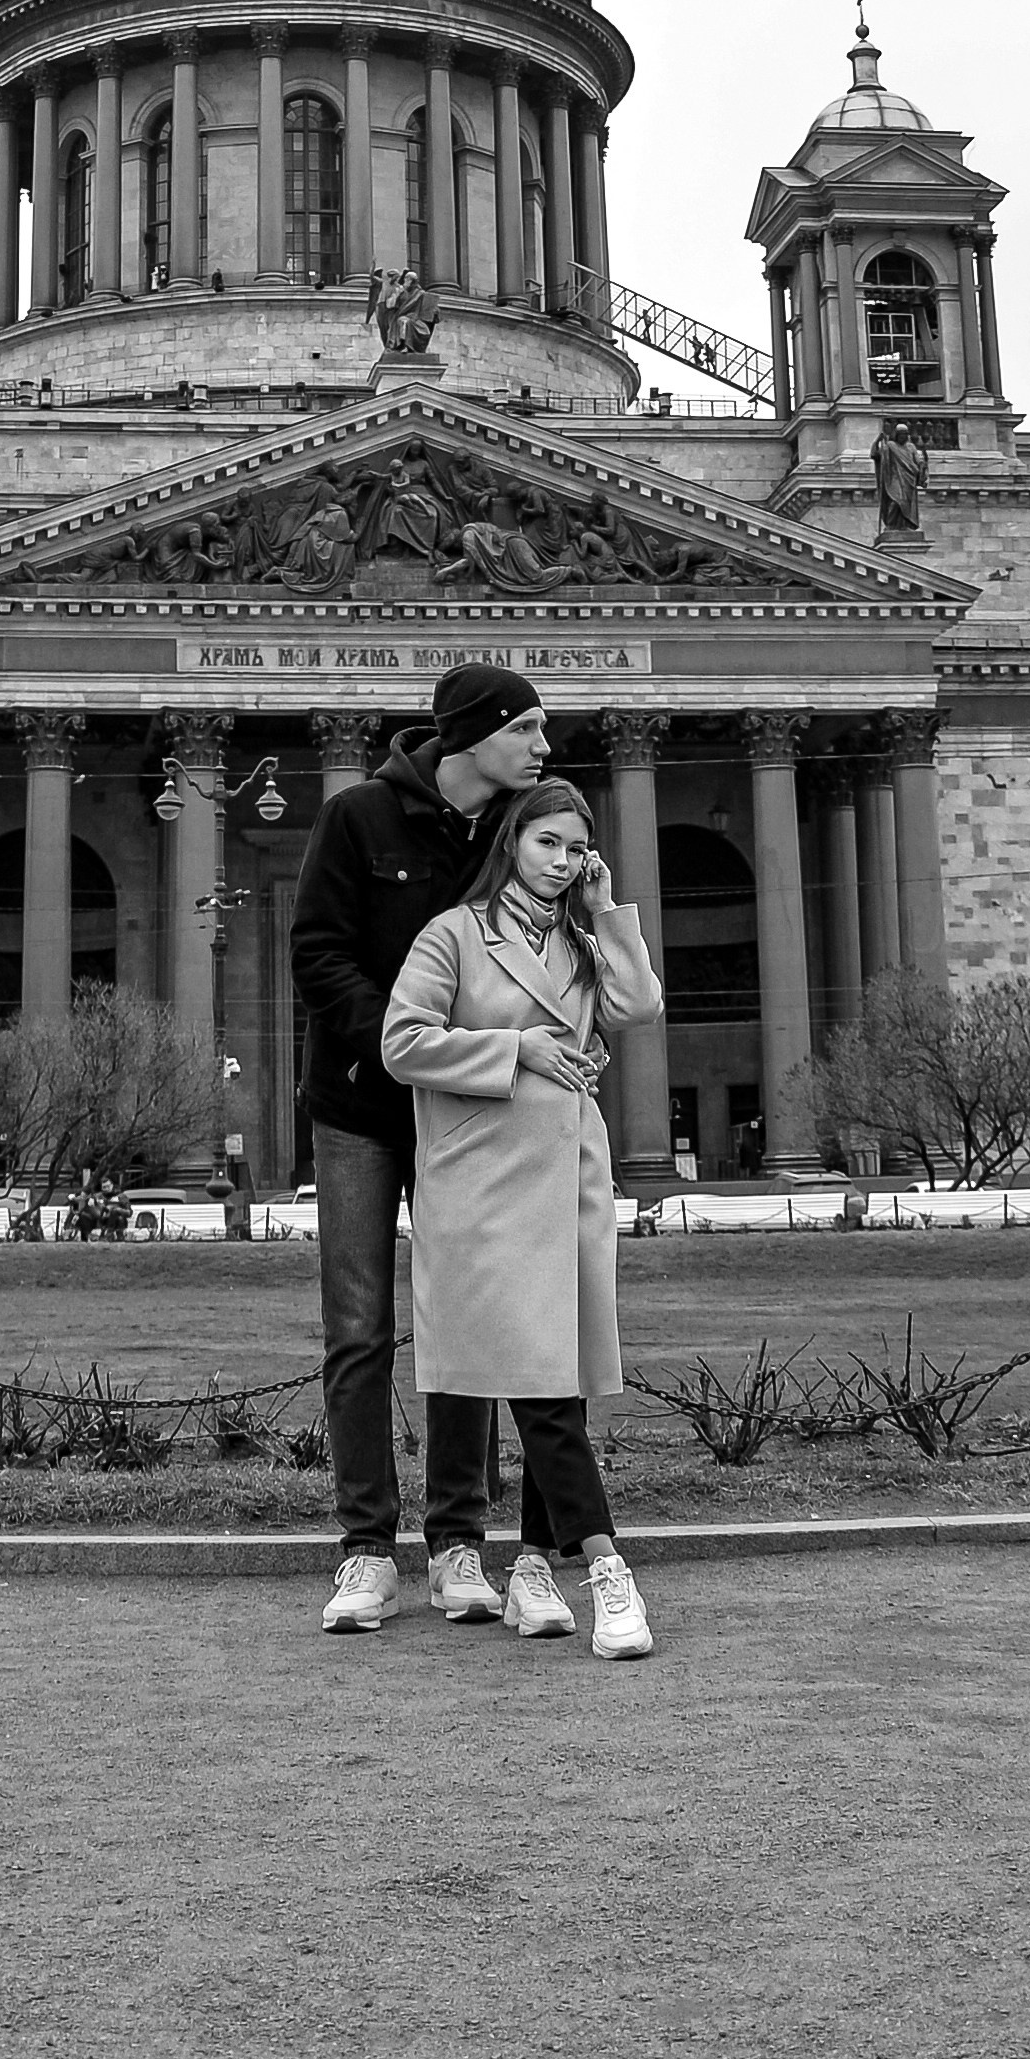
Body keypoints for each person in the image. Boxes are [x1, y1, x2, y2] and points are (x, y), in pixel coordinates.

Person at [291, 662, 549, 1632]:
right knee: (357, 1325)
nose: (542, 747)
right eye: (526, 729)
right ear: (474, 735)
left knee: (463, 1322)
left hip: (466, 1117)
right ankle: (365, 1551)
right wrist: (401, 1046)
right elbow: (317, 949)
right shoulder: (358, 818)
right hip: (361, 1107)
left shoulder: (519, 835)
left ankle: (455, 1546)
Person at [382, 780, 664, 1660]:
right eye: (547, 843)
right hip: (484, 1188)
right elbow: (402, 1043)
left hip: (568, 1175)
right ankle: (607, 1567)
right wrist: (515, 1048)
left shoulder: (582, 943)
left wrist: (608, 909)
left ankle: (536, 1565)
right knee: (541, 1392)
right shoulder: (454, 934)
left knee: (563, 1374)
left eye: (576, 848)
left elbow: (638, 1007)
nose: (562, 860)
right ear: (512, 843)